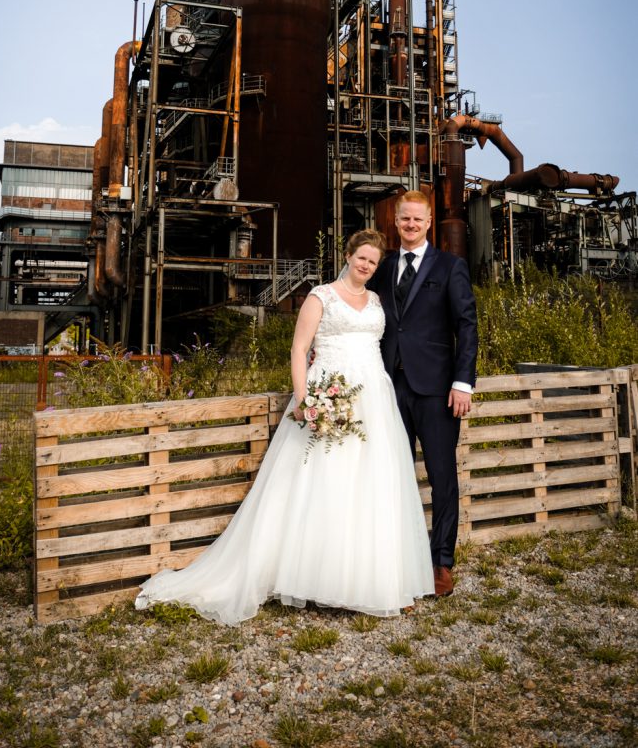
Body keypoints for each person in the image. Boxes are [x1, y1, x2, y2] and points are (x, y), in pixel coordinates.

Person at [134, 229, 434, 624]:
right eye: (361, 257)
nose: (366, 265)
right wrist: (306, 401)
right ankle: (320, 578)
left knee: (370, 485)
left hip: (373, 400)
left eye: (373, 262)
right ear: (348, 256)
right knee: (325, 482)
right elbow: (299, 349)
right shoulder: (321, 296)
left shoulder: (376, 301)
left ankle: (370, 580)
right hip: (330, 392)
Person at [368, 191, 478, 598]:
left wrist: (463, 382)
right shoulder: (382, 269)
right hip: (388, 387)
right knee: (390, 472)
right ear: (395, 222)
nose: (411, 225)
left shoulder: (450, 266)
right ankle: (396, 557)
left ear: (429, 222)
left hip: (437, 390)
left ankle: (441, 563)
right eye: (404, 219)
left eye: (418, 219)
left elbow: (466, 325)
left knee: (441, 477)